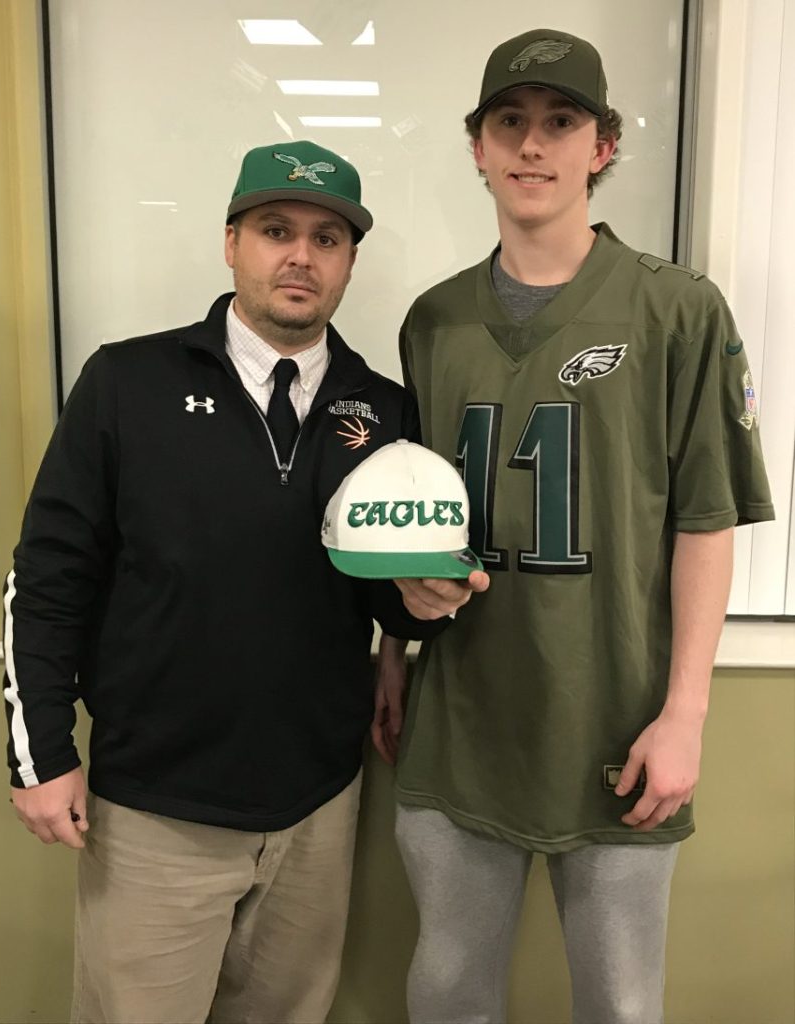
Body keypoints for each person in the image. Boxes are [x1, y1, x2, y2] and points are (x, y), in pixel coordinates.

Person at [376, 28, 775, 1024]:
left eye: (561, 121)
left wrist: (684, 712)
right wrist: (393, 638)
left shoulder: (675, 310)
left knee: (620, 1005)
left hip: (616, 722)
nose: (531, 143)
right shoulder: (432, 321)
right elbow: (412, 516)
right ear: (475, 145)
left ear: (601, 145)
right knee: (447, 990)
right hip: (462, 717)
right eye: (508, 121)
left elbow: (705, 519)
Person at [3, 140, 447, 1024]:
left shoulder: (384, 408)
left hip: (317, 805)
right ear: (232, 242)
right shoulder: (128, 381)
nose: (300, 256)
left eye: (328, 239)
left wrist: (420, 608)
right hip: (156, 812)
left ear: (350, 261)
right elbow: (49, 573)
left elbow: (378, 593)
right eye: (277, 230)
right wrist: (40, 753)